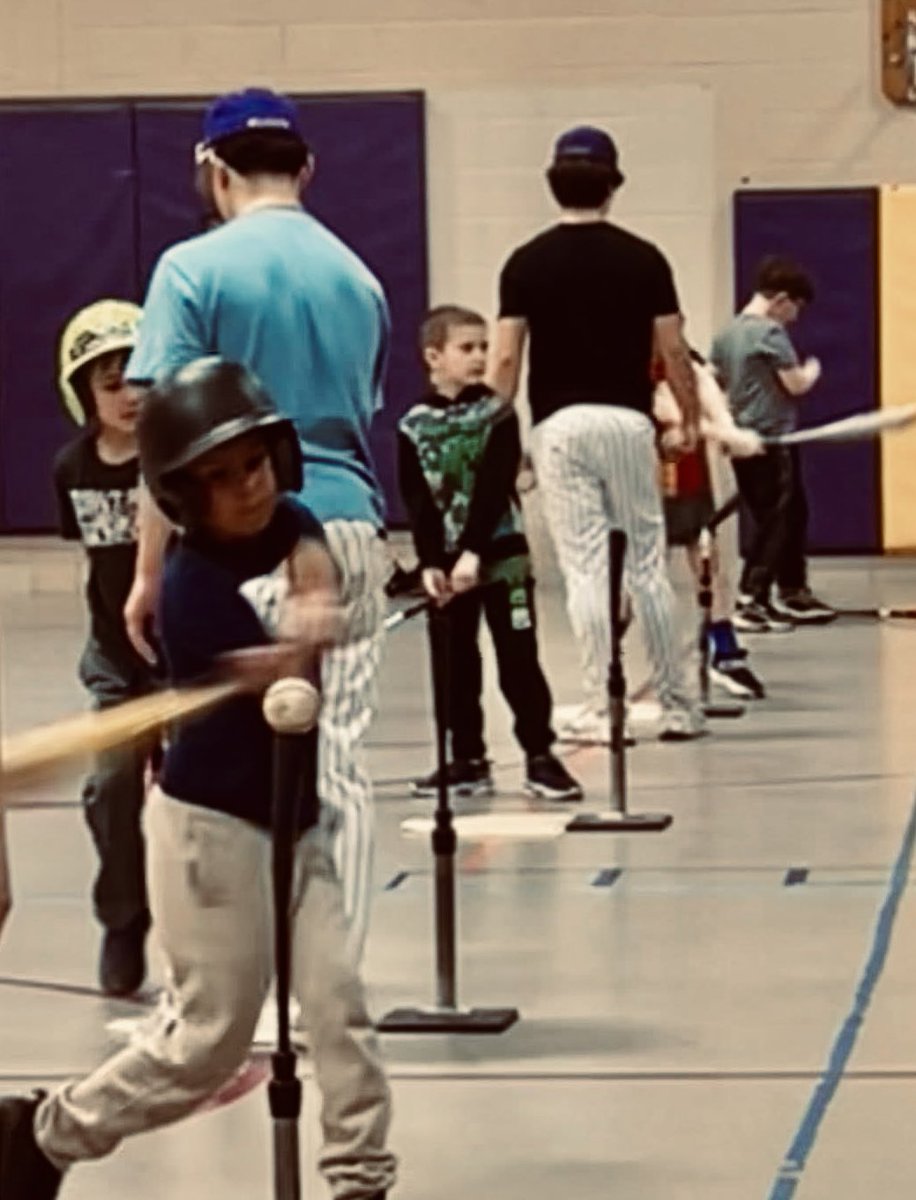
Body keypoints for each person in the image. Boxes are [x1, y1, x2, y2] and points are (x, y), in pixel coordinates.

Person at [0, 358, 396, 1200]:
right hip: (210, 833)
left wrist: (318, 596)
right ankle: (44, 1133)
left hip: (296, 818)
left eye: (251, 463)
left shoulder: (285, 514)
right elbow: (284, 665)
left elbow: (307, 545)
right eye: (218, 478)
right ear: (183, 494)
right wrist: (294, 648)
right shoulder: (188, 587)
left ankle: (362, 1182)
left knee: (341, 1010)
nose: (246, 487)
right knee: (208, 1046)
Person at [122, 87, 390, 962]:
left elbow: (164, 434)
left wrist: (149, 573)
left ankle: (227, 991)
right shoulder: (361, 278)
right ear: (305, 168)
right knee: (336, 755)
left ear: (212, 169)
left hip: (238, 537)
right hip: (345, 525)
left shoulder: (192, 269)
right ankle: (330, 983)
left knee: (217, 769)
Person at [489, 125, 706, 742]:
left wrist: (499, 442)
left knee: (585, 569)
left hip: (561, 425)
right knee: (645, 564)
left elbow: (505, 363)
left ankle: (600, 701)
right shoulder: (644, 258)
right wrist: (687, 418)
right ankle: (678, 704)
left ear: (553, 184)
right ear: (613, 185)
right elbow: (674, 350)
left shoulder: (525, 262)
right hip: (629, 422)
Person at [398, 305, 583, 801]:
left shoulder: (498, 414)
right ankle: (467, 759)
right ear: (433, 356)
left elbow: (494, 484)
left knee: (518, 659)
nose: (480, 356)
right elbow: (417, 502)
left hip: (501, 560)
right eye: (467, 348)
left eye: (484, 347)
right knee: (455, 666)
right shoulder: (412, 426)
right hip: (448, 569)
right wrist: (432, 563)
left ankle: (540, 756)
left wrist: (474, 551)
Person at [53, 300, 158, 996]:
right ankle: (123, 918)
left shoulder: (176, 461)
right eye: (109, 383)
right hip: (116, 665)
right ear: (85, 395)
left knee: (204, 802)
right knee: (111, 788)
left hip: (184, 659)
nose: (125, 396)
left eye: (136, 379)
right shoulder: (73, 467)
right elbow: (93, 562)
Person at [709, 255, 835, 630]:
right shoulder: (770, 333)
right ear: (781, 299)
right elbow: (794, 384)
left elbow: (715, 383)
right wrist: (812, 370)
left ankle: (791, 591)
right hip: (772, 441)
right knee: (777, 522)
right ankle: (752, 597)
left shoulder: (727, 334)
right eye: (794, 308)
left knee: (786, 516)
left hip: (743, 442)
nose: (794, 318)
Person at [653, 347, 767, 700]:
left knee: (707, 563)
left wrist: (730, 431)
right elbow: (667, 410)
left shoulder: (684, 360)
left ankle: (726, 651)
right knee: (634, 579)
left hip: (687, 479)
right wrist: (724, 435)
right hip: (642, 480)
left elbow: (705, 390)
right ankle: (613, 678)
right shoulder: (623, 354)